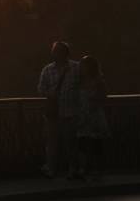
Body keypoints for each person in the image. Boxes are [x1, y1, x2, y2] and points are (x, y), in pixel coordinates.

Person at [37, 41, 81, 179]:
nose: (54, 54)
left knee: (70, 143)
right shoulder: (47, 69)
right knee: (52, 142)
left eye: (57, 51)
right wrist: (49, 94)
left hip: (70, 112)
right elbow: (41, 88)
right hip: (54, 112)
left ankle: (72, 169)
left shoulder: (76, 68)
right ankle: (53, 168)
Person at [76, 55, 110, 180]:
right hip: (82, 115)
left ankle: (97, 168)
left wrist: (94, 101)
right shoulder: (79, 81)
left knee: (96, 143)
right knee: (82, 143)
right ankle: (84, 167)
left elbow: (103, 97)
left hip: (94, 115)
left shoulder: (98, 81)